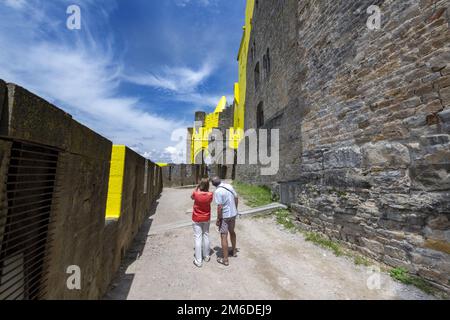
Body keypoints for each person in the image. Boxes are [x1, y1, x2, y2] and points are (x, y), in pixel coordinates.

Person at [211, 177, 239, 266]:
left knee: (223, 236)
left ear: (213, 184)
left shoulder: (218, 192)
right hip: (233, 214)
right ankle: (234, 251)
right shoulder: (229, 186)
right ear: (220, 180)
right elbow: (236, 197)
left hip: (225, 217)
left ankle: (225, 259)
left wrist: (218, 219)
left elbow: (220, 207)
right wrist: (235, 209)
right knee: (232, 231)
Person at [191, 178, 213, 268]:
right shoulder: (210, 194)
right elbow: (209, 202)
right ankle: (206, 256)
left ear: (200, 185)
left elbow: (191, 197)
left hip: (196, 218)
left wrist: (197, 188)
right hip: (206, 217)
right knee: (206, 235)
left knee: (198, 238)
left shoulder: (196, 194)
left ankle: (198, 261)